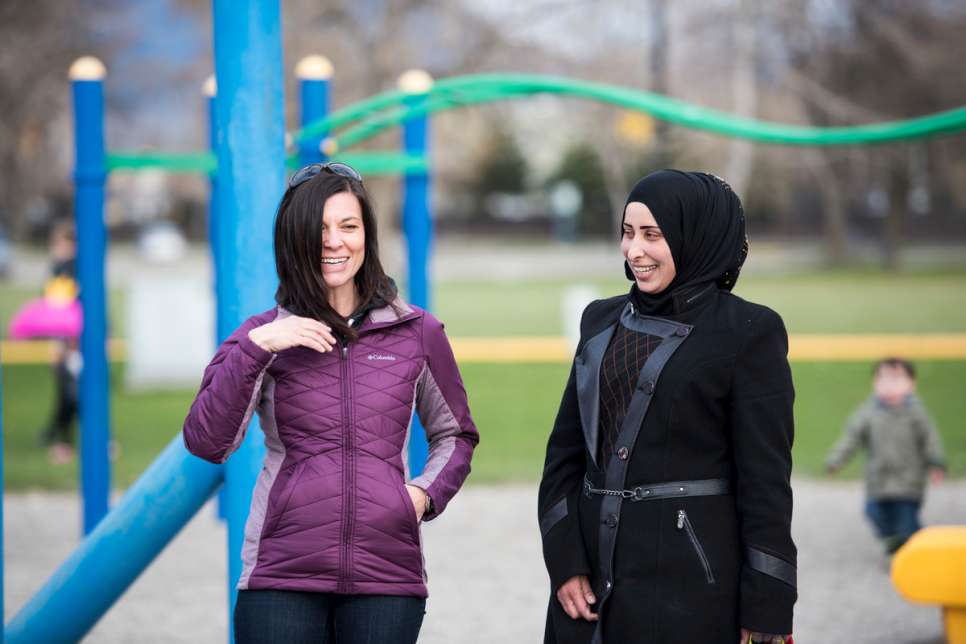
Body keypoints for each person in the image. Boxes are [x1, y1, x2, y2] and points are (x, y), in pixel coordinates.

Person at [183, 162, 479, 644]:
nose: (335, 242)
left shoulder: (418, 332)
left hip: (387, 576)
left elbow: (456, 434)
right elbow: (207, 441)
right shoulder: (262, 335)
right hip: (280, 574)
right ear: (294, 238)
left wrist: (421, 496)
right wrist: (260, 346)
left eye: (348, 226)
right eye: (319, 229)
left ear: (368, 235)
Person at [538, 170, 797, 644]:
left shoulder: (749, 332)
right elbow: (563, 458)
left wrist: (768, 609)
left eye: (652, 236)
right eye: (627, 233)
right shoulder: (599, 319)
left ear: (693, 236)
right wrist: (565, 560)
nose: (634, 250)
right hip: (590, 587)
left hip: (693, 588)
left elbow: (766, 485)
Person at [825, 357, 945, 554]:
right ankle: (895, 544)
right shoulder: (868, 413)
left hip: (909, 482)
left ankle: (915, 555)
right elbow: (851, 438)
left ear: (911, 384)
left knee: (907, 523)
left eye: (896, 379)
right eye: (883, 379)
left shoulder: (916, 414)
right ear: (875, 383)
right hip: (878, 481)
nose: (888, 385)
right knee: (873, 512)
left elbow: (930, 440)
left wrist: (936, 463)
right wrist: (836, 460)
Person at [41, 221, 81, 464]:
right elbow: (53, 309)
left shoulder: (74, 268)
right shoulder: (57, 269)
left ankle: (59, 437)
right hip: (64, 340)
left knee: (77, 393)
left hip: (79, 340)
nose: (57, 249)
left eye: (61, 244)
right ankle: (59, 438)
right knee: (66, 393)